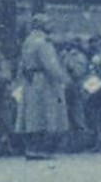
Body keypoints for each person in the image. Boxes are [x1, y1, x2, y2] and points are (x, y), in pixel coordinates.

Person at [15, 14, 71, 160]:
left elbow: (22, 63)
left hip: (30, 80)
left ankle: (31, 149)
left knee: (31, 115)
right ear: (41, 25)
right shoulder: (44, 42)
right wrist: (63, 78)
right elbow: (50, 65)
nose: (51, 25)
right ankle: (42, 150)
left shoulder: (28, 41)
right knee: (46, 114)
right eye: (48, 23)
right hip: (44, 82)